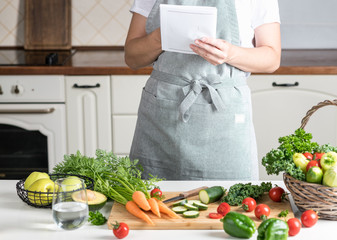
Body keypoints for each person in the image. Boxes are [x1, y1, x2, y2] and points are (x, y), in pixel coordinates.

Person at [124, 0, 281, 180]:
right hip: (162, 116)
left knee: (230, 203)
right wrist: (162, 36)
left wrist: (230, 54)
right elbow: (132, 57)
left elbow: (272, 58)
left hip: (223, 117)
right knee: (151, 200)